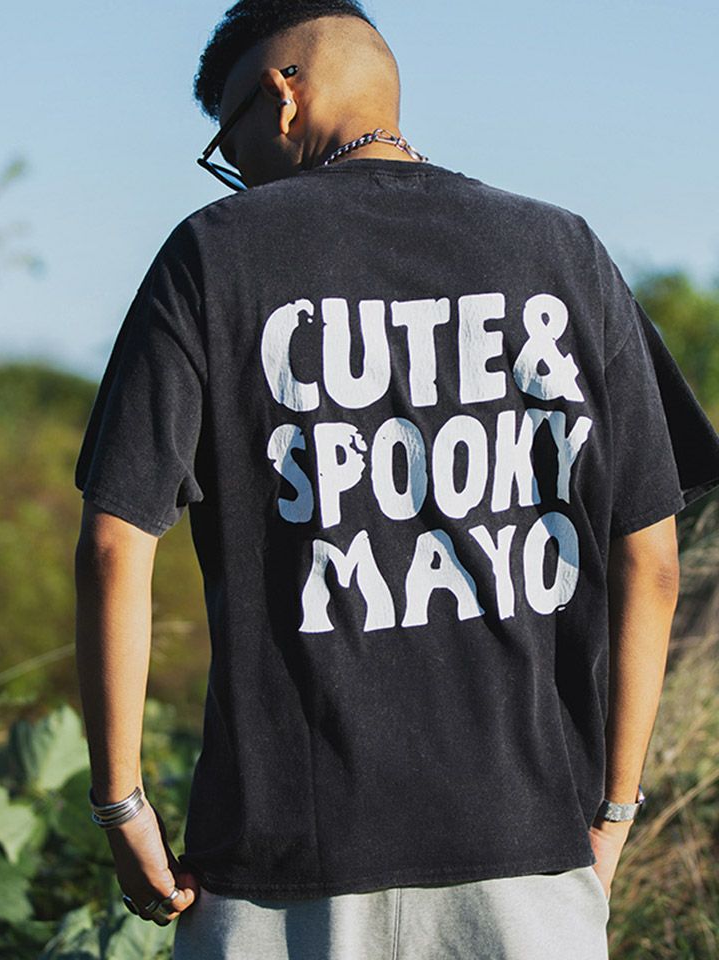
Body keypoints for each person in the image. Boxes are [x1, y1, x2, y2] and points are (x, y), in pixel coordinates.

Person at [73, 1, 719, 957]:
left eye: (231, 138)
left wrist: (121, 804)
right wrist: (615, 815)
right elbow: (652, 561)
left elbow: (113, 544)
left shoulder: (214, 253)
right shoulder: (565, 252)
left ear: (281, 96)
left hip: (282, 864)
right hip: (528, 853)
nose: (237, 167)